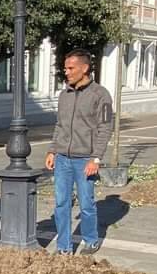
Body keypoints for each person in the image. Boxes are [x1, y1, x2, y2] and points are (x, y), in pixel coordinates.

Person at [45, 49, 113, 256]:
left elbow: (106, 127)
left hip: (85, 159)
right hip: (63, 159)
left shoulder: (101, 95)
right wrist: (52, 150)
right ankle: (64, 247)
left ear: (84, 68)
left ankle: (91, 239)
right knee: (61, 203)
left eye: (70, 68)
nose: (66, 72)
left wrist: (96, 158)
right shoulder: (64, 95)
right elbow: (60, 125)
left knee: (86, 204)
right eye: (65, 68)